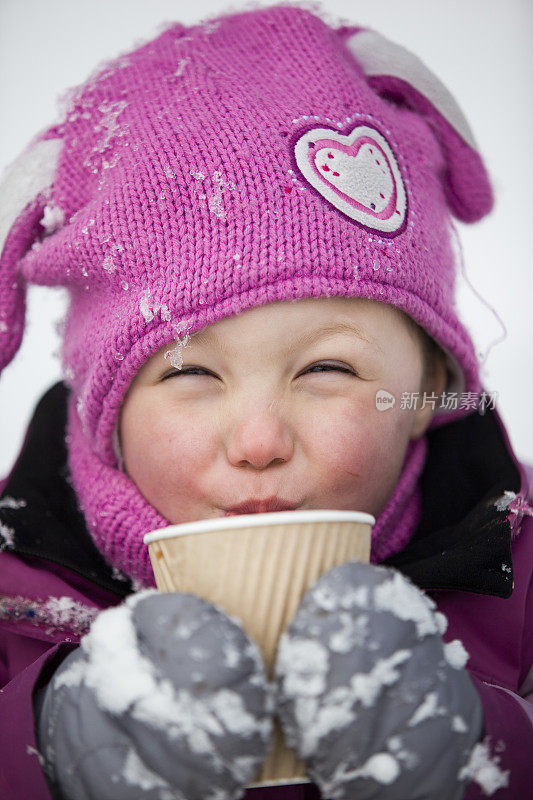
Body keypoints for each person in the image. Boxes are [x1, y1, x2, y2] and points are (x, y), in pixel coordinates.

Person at [0, 4, 531, 799]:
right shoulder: (21, 585)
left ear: (427, 389)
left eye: (326, 368)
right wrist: (42, 740)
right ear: (104, 413)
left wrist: (485, 749)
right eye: (189, 375)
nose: (257, 441)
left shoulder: (512, 567)